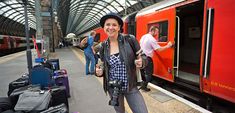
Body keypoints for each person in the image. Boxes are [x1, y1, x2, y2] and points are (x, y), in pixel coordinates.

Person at [95, 12, 148, 113]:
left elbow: (144, 57)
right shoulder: (102, 47)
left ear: (119, 27)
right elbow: (101, 65)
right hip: (113, 89)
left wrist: (142, 62)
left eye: (114, 25)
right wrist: (98, 72)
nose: (111, 27)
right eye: (108, 24)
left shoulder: (130, 40)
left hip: (130, 86)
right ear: (104, 27)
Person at [139, 26, 173, 92]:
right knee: (149, 73)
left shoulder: (144, 36)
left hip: (141, 57)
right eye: (156, 32)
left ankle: (141, 84)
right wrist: (168, 46)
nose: (157, 34)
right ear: (152, 31)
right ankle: (144, 86)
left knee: (143, 72)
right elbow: (159, 49)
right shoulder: (152, 39)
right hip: (147, 58)